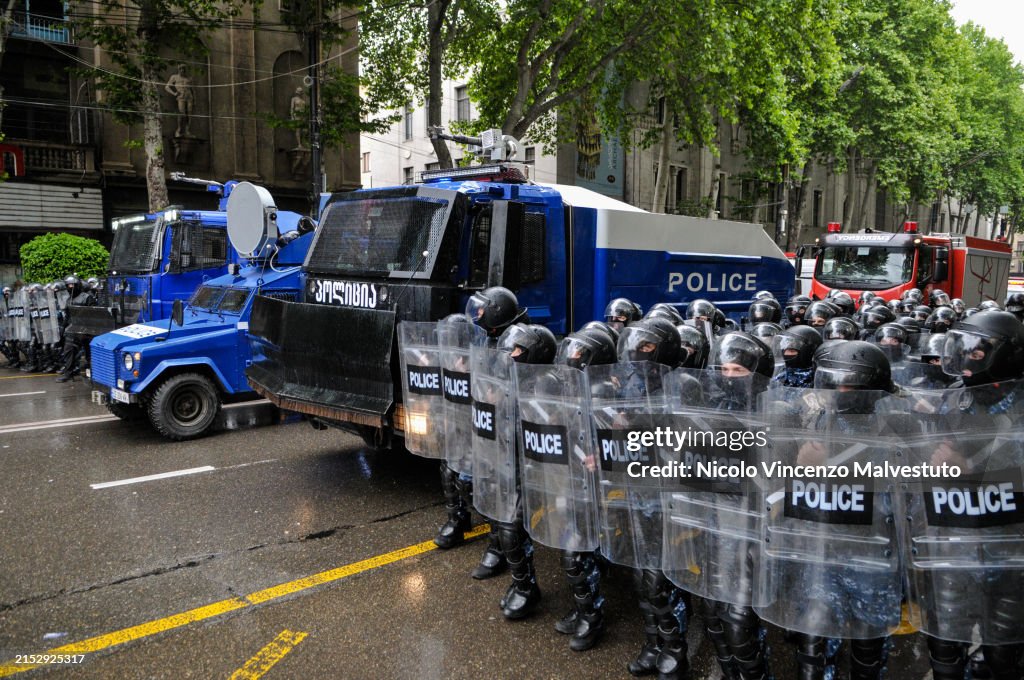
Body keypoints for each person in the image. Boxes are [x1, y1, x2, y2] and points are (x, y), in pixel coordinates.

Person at [550, 325, 617, 650]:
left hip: (604, 491)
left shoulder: (608, 394)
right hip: (576, 483)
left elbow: (631, 442)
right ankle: (585, 610)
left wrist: (604, 456)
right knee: (574, 552)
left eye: (578, 355)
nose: (570, 359)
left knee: (577, 553)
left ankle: (592, 617)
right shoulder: (575, 389)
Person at [493, 322, 556, 619]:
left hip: (548, 479)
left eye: (518, 350)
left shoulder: (550, 388)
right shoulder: (508, 383)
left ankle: (587, 609)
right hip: (515, 471)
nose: (511, 354)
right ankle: (524, 585)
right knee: (508, 528)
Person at [57, 276, 96, 382]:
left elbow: (95, 315)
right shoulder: (69, 300)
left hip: (88, 330)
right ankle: (68, 373)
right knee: (68, 350)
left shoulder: (87, 297)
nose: (70, 288)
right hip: (74, 329)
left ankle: (94, 374)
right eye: (68, 286)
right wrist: (63, 329)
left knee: (90, 354)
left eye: (72, 285)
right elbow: (67, 317)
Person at [165, 64, 195, 137]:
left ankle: (187, 131)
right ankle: (179, 130)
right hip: (181, 97)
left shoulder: (189, 78)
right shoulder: (174, 77)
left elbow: (193, 90)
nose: (182, 70)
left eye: (184, 69)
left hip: (189, 97)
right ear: (178, 70)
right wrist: (174, 93)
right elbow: (167, 87)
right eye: (181, 69)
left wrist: (195, 100)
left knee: (189, 114)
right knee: (181, 113)